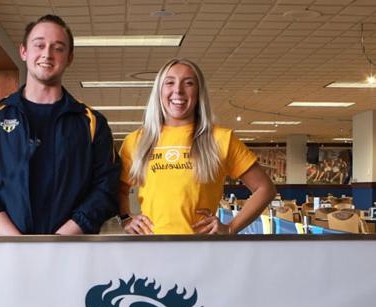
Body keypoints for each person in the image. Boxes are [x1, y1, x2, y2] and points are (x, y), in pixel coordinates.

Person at [0, 15, 120, 235]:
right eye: (40, 45)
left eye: (58, 48)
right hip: (8, 253)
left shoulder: (92, 124)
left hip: (73, 253)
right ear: (24, 51)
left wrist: (60, 240)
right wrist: (15, 242)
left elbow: (106, 187)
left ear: (69, 57)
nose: (47, 54)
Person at [118, 58, 275, 235]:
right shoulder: (137, 140)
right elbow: (118, 188)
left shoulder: (221, 139)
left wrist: (231, 228)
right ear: (159, 91)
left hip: (202, 247)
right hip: (152, 246)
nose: (178, 90)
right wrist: (126, 218)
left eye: (188, 83)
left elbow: (265, 189)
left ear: (198, 92)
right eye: (169, 82)